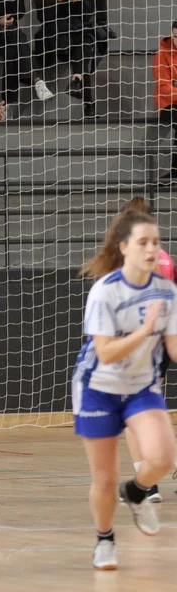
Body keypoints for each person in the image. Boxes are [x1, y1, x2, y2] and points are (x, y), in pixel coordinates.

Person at [75, 210, 177, 570]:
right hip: (98, 387)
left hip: (140, 386)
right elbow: (105, 352)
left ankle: (135, 492)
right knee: (105, 478)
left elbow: (174, 349)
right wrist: (144, 331)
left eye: (156, 242)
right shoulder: (105, 291)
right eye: (143, 242)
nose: (152, 249)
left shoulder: (167, 291)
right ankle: (104, 540)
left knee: (162, 458)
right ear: (124, 247)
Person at [113, 198, 174, 504]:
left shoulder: (127, 261)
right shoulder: (165, 258)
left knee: (134, 415)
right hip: (161, 343)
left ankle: (147, 484)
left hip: (138, 345)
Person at [0, 0, 54, 104]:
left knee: (10, 50)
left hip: (9, 35)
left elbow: (20, 11)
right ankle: (34, 79)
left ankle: (9, 103)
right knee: (15, 37)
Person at [32, 0, 99, 118]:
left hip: (77, 33)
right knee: (82, 49)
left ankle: (77, 80)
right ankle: (87, 100)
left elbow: (89, 15)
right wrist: (56, 0)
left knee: (85, 42)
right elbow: (43, 18)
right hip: (55, 37)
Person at [153, 22, 177, 181]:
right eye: (175, 36)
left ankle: (175, 174)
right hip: (168, 104)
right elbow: (164, 87)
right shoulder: (162, 53)